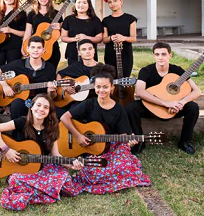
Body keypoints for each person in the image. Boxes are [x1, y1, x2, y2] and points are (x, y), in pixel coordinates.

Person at [60, 64, 150, 194]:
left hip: (113, 147)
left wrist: (129, 140)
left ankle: (113, 174)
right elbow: (64, 117)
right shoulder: (89, 104)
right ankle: (110, 177)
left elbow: (125, 133)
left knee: (124, 164)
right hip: (94, 148)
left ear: (112, 88)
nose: (101, 90)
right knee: (93, 171)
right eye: (98, 87)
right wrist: (78, 135)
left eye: (105, 87)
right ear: (94, 87)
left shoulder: (119, 109)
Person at [0, 94, 83, 211]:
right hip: (19, 169)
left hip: (41, 167)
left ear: (49, 111)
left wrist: (71, 164)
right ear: (31, 107)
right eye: (38, 105)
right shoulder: (22, 121)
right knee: (16, 179)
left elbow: (56, 156)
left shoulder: (52, 128)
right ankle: (46, 189)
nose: (41, 109)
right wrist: (6, 150)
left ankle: (32, 189)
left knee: (64, 174)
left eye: (45, 107)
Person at [126, 42, 201, 155]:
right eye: (157, 54)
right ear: (153, 56)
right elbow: (140, 91)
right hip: (151, 108)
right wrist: (166, 103)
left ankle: (185, 142)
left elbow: (197, 91)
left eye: (163, 54)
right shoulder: (146, 71)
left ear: (170, 55)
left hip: (175, 109)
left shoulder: (178, 71)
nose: (160, 57)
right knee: (131, 107)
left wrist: (181, 103)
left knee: (193, 107)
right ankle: (139, 142)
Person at [0, 36, 57, 120]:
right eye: (33, 47)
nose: (35, 50)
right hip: (21, 102)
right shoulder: (18, 64)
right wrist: (4, 85)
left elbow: (52, 96)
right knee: (17, 104)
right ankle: (17, 131)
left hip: (40, 103)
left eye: (39, 48)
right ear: (27, 49)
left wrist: (51, 91)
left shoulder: (50, 68)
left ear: (43, 50)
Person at [55, 39, 98, 119]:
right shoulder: (76, 66)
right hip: (75, 101)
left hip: (94, 102)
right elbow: (59, 74)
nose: (87, 52)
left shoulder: (102, 68)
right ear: (79, 53)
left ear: (94, 51)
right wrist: (64, 86)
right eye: (84, 49)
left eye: (90, 49)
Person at [22, 0, 63, 68]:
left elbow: (63, 32)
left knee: (51, 74)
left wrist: (60, 26)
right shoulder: (32, 14)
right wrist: (23, 46)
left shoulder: (56, 14)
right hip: (35, 49)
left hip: (52, 49)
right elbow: (28, 32)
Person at [102, 0, 137, 78]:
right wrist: (111, 38)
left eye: (115, 1)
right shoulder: (106, 20)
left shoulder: (130, 19)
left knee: (124, 79)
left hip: (126, 53)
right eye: (109, 2)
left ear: (121, 2)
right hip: (110, 53)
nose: (112, 4)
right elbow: (104, 40)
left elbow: (133, 38)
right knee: (111, 79)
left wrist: (124, 38)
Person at [61, 0, 103, 65]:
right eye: (79, 2)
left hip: (90, 55)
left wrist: (86, 38)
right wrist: (74, 39)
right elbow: (63, 37)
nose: (81, 5)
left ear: (89, 5)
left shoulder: (95, 20)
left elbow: (99, 38)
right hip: (72, 54)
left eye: (84, 2)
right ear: (75, 4)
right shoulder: (68, 19)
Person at [0, 0, 26, 69]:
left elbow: (25, 33)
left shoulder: (21, 13)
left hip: (14, 47)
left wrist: (11, 30)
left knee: (13, 70)